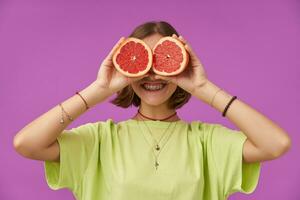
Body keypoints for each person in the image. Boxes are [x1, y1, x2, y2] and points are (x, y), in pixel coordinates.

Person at [13, 21, 291, 200]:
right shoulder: (100, 139)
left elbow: (276, 144)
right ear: (127, 69)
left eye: (163, 61)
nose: (153, 75)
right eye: (142, 62)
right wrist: (98, 89)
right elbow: (26, 144)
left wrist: (204, 87)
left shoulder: (206, 142)